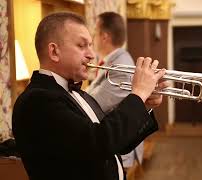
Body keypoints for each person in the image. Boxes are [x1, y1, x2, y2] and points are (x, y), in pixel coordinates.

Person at [12, 12, 166, 180]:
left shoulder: (78, 94)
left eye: (91, 45)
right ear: (54, 51)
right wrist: (138, 94)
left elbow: (119, 144)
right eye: (82, 45)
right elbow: (99, 142)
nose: (92, 54)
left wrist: (144, 105)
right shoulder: (37, 100)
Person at [86, 12, 145, 169]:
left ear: (104, 36)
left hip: (119, 149)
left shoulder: (120, 65)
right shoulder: (113, 61)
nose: (92, 39)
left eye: (94, 33)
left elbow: (95, 105)